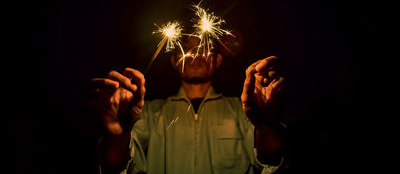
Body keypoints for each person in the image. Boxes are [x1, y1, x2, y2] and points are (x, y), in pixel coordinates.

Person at [91, 35, 288, 173]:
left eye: (203, 47)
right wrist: (118, 136)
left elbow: (271, 164)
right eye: (186, 48)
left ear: (218, 60)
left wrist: (267, 126)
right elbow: (117, 166)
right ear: (175, 61)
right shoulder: (148, 113)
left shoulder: (242, 111)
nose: (195, 53)